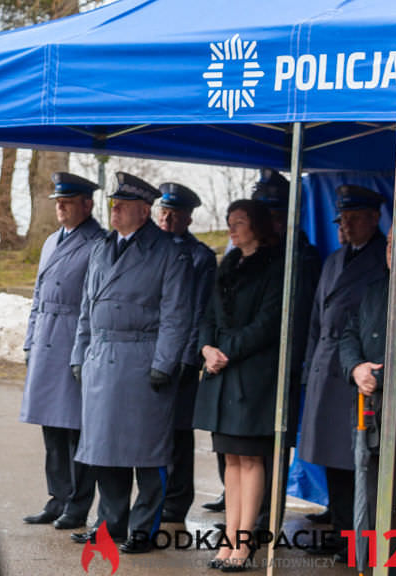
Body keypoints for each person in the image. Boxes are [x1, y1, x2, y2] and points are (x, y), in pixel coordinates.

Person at [69, 172, 192, 554]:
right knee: (105, 452)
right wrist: (79, 355)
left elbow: (176, 315)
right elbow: (86, 311)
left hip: (142, 361)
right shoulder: (101, 249)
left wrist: (164, 363)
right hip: (103, 360)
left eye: (122, 206)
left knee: (147, 451)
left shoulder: (169, 253)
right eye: (113, 205)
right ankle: (110, 524)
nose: (115, 210)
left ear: (144, 211)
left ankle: (143, 528)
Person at [193, 199, 283, 571]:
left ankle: (244, 544)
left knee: (250, 457)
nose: (232, 228)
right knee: (230, 458)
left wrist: (223, 351)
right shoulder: (227, 265)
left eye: (240, 222)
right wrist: (206, 348)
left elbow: (267, 325)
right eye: (230, 222)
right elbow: (208, 316)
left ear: (258, 227)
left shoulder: (274, 267)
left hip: (253, 375)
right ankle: (228, 539)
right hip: (222, 372)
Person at [299, 184, 387, 561]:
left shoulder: (383, 257)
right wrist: (309, 367)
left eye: (352, 219)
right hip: (326, 365)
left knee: (356, 461)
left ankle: (358, 540)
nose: (345, 226)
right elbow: (316, 321)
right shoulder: (334, 259)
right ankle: (339, 530)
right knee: (331, 458)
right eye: (342, 220)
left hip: (358, 371)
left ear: (372, 218)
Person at [340, 224, 396, 576]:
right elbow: (348, 335)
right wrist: (355, 368)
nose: (391, 249)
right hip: (376, 424)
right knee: (383, 524)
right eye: (390, 242)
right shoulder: (375, 291)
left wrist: (375, 377)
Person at [20, 172, 105, 530]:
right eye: (58, 202)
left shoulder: (98, 242)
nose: (60, 207)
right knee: (51, 429)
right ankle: (57, 497)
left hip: (74, 339)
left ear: (87, 204)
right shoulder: (51, 242)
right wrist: (29, 339)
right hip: (47, 340)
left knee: (76, 430)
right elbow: (38, 297)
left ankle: (77, 504)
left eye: (67, 202)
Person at [251, 168, 323, 532]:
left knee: (275, 444)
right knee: (246, 446)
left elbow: (304, 316)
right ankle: (249, 512)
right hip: (251, 364)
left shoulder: (302, 255)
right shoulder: (252, 255)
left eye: (274, 216)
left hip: (283, 363)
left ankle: (266, 518)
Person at [156, 182, 217, 525]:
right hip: (153, 355)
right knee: (153, 432)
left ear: (188, 218)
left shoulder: (201, 257)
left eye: (174, 214)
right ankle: (155, 495)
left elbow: (199, 311)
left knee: (179, 432)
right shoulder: (150, 250)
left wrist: (188, 356)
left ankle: (177, 501)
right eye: (163, 212)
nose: (166, 219)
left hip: (182, 357)